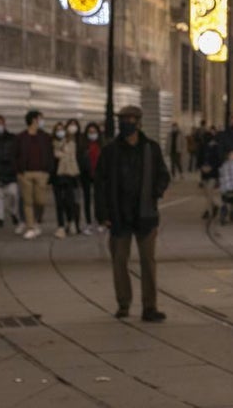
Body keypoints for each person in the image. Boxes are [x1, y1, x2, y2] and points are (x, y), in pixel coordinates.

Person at [95, 106, 171, 322]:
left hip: (145, 214)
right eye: (122, 119)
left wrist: (155, 193)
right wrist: (102, 213)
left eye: (130, 119)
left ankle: (150, 307)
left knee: (148, 262)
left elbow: (163, 175)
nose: (126, 123)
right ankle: (123, 303)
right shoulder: (110, 151)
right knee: (119, 261)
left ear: (138, 122)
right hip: (119, 215)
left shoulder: (150, 148)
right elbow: (100, 184)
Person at [15, 110, 53, 240]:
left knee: (40, 201)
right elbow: (15, 155)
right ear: (33, 120)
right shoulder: (21, 137)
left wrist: (48, 172)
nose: (42, 121)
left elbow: (50, 154)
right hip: (25, 173)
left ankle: (36, 220)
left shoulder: (45, 137)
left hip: (41, 173)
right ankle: (30, 227)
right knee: (28, 202)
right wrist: (18, 172)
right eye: (40, 119)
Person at [52, 121, 81, 238]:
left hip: (69, 174)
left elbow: (71, 158)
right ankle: (61, 226)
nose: (60, 132)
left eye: (62, 129)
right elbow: (54, 157)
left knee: (69, 201)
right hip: (56, 176)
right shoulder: (52, 144)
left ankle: (71, 221)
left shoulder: (71, 143)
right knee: (59, 202)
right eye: (57, 130)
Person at [78, 122, 103, 235]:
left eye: (94, 132)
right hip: (86, 175)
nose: (92, 134)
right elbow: (80, 160)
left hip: (99, 175)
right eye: (90, 132)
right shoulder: (83, 146)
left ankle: (99, 221)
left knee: (99, 200)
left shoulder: (101, 145)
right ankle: (88, 223)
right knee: (87, 199)